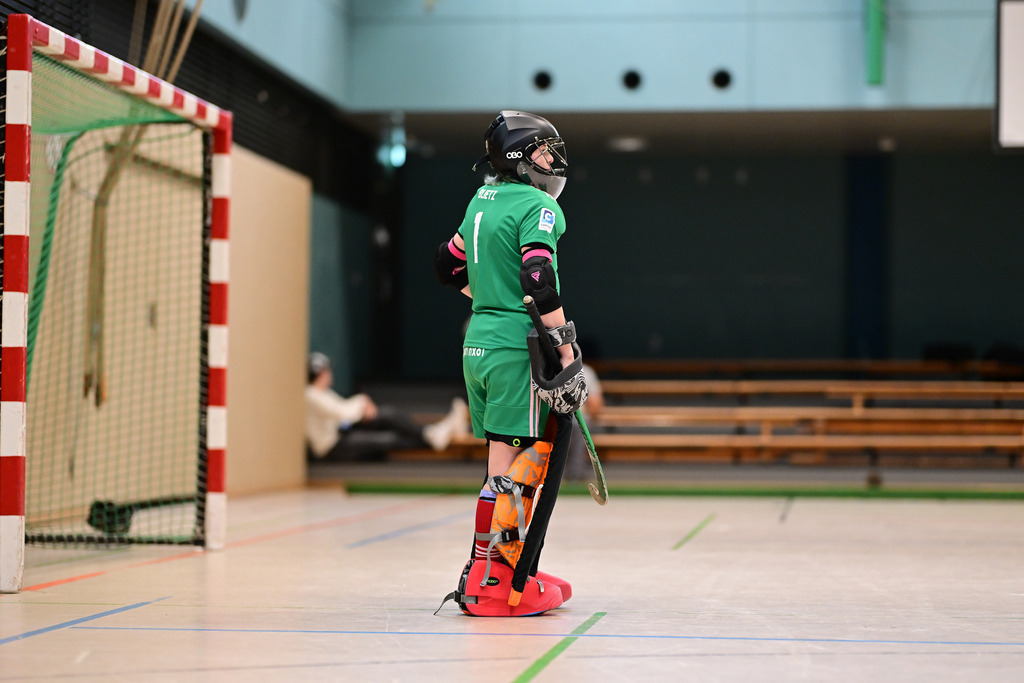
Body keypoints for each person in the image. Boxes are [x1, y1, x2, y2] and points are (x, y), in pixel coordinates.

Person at [433, 111, 588, 616]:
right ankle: (496, 582)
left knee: (502, 460)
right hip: (512, 348)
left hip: (477, 344)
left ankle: (499, 568)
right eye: (544, 151)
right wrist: (565, 349)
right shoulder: (539, 205)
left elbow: (447, 263)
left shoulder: (481, 200)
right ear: (521, 157)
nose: (553, 161)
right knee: (517, 468)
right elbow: (538, 276)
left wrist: (490, 299)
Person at [305, 352, 468, 461]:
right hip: (332, 447)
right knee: (388, 438)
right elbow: (341, 413)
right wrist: (362, 402)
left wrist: (361, 403)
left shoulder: (322, 393)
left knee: (387, 414)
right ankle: (434, 436)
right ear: (321, 373)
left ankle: (431, 433)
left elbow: (343, 408)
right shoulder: (311, 394)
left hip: (342, 432)